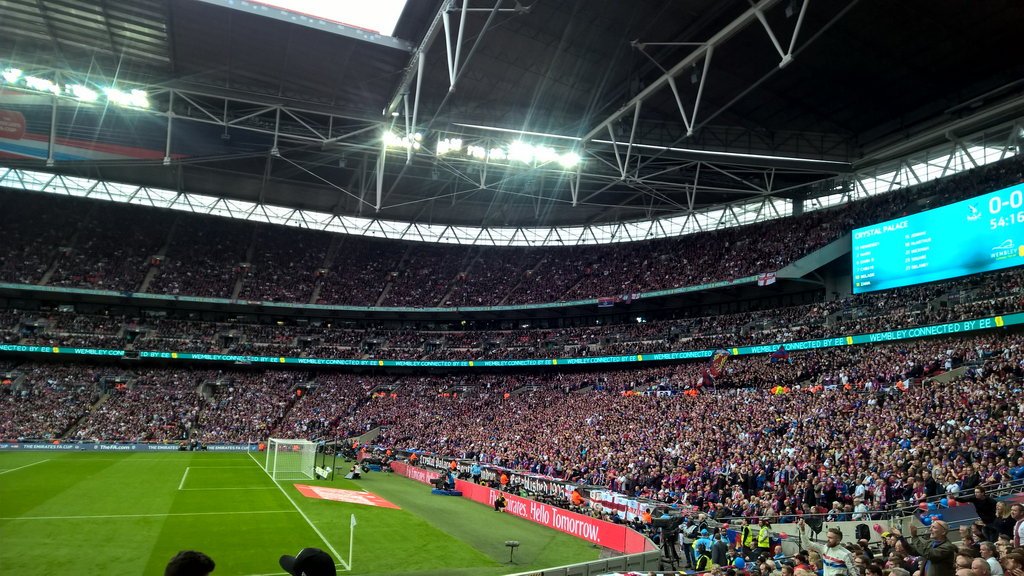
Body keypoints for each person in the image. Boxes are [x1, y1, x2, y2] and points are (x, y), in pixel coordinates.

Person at [889, 520, 956, 576]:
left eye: (934, 527)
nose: (930, 529)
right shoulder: (931, 542)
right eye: (930, 527)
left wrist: (914, 537)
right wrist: (901, 537)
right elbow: (913, 551)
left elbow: (929, 554)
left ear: (943, 532)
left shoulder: (947, 546)